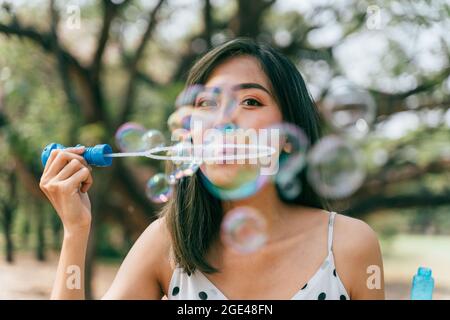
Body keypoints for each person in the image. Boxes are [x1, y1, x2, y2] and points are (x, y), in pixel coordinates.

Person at [40, 38, 385, 300]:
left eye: (251, 101)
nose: (224, 119)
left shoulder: (348, 245)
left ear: (289, 138)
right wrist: (75, 230)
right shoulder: (169, 243)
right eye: (207, 103)